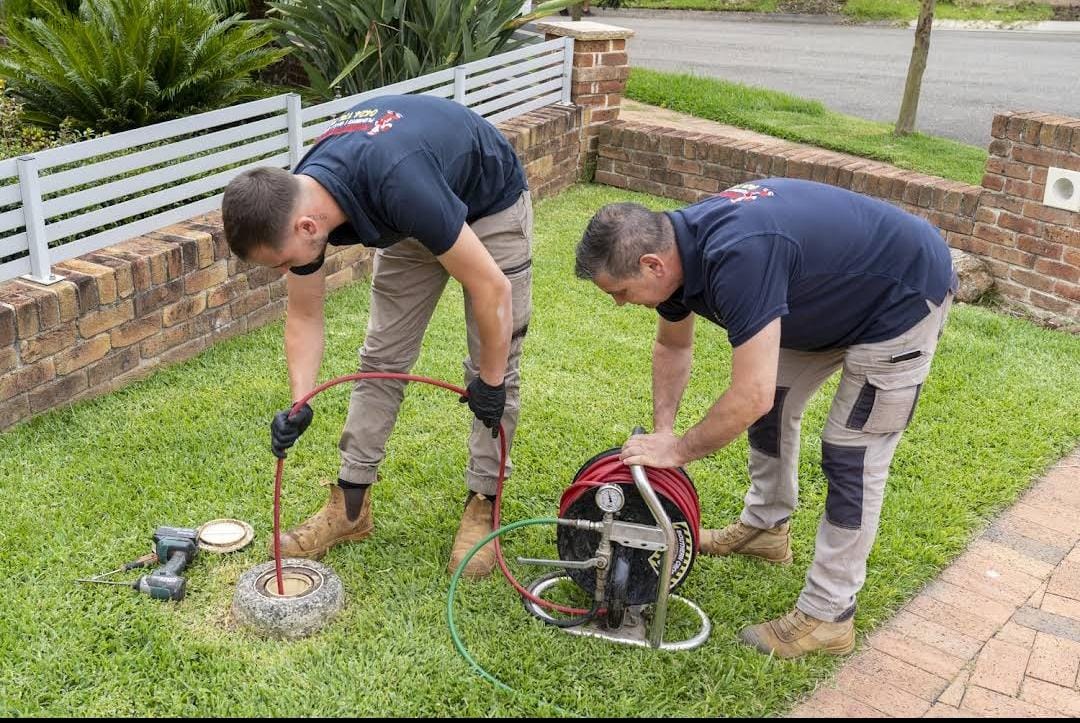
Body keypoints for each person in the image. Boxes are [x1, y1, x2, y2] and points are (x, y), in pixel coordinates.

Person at [574, 178, 956, 658]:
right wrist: (663, 431)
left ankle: (828, 615)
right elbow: (674, 344)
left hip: (900, 297)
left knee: (850, 455)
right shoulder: (676, 251)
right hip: (831, 295)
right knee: (774, 406)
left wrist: (680, 449)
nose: (621, 303)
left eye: (622, 291)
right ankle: (766, 529)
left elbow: (747, 394)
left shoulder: (739, 258)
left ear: (652, 265)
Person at [221, 94, 533, 578]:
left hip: (487, 202)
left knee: (493, 366)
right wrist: (300, 400)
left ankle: (483, 502)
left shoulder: (396, 184)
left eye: (283, 262)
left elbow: (491, 287)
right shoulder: (302, 196)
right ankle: (351, 505)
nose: (287, 271)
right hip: (412, 213)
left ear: (307, 226)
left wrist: (490, 382)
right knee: (381, 358)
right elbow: (304, 314)